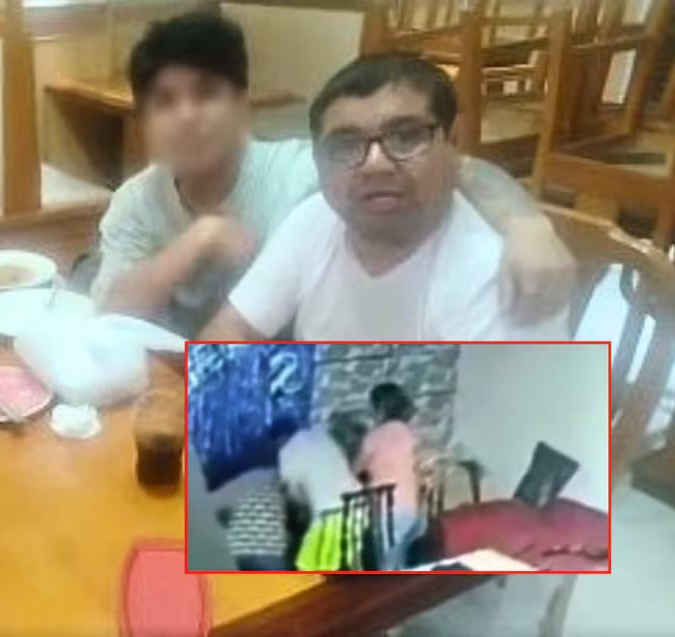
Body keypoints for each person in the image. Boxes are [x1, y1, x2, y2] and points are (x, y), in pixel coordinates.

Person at [91, 13, 574, 338]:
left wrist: (527, 224)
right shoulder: (136, 200)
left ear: (243, 104)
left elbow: (458, 168)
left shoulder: (310, 174)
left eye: (205, 94)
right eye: (164, 102)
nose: (186, 116)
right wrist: (200, 240)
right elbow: (115, 317)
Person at [201, 53, 571, 341]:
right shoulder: (314, 218)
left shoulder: (502, 273)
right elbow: (230, 334)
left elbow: (510, 417)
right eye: (346, 144)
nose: (375, 164)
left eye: (407, 136)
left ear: (454, 142)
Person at [357, 383, 424, 570]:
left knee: (385, 565)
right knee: (399, 561)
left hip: (388, 509)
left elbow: (356, 469)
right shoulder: (408, 433)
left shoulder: (375, 436)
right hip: (411, 507)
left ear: (379, 407)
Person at [278, 427, 360, 570]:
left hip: (330, 519)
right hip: (358, 509)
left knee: (302, 566)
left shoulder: (287, 452)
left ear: (279, 439)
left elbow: (295, 497)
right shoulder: (323, 437)